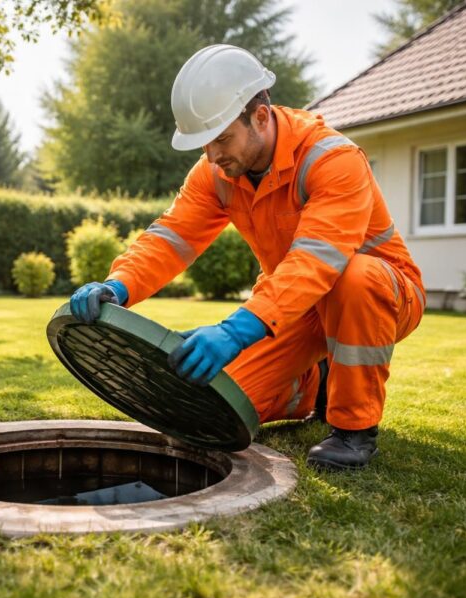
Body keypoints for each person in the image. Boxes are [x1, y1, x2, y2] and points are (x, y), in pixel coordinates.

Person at [69, 44, 426, 470]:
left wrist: (235, 332)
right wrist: (118, 285)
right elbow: (171, 237)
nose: (213, 156)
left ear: (259, 116)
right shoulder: (218, 171)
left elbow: (316, 262)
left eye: (222, 139)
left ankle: (353, 430)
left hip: (380, 293)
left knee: (355, 278)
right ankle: (315, 384)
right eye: (204, 144)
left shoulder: (333, 159)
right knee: (213, 404)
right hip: (292, 304)